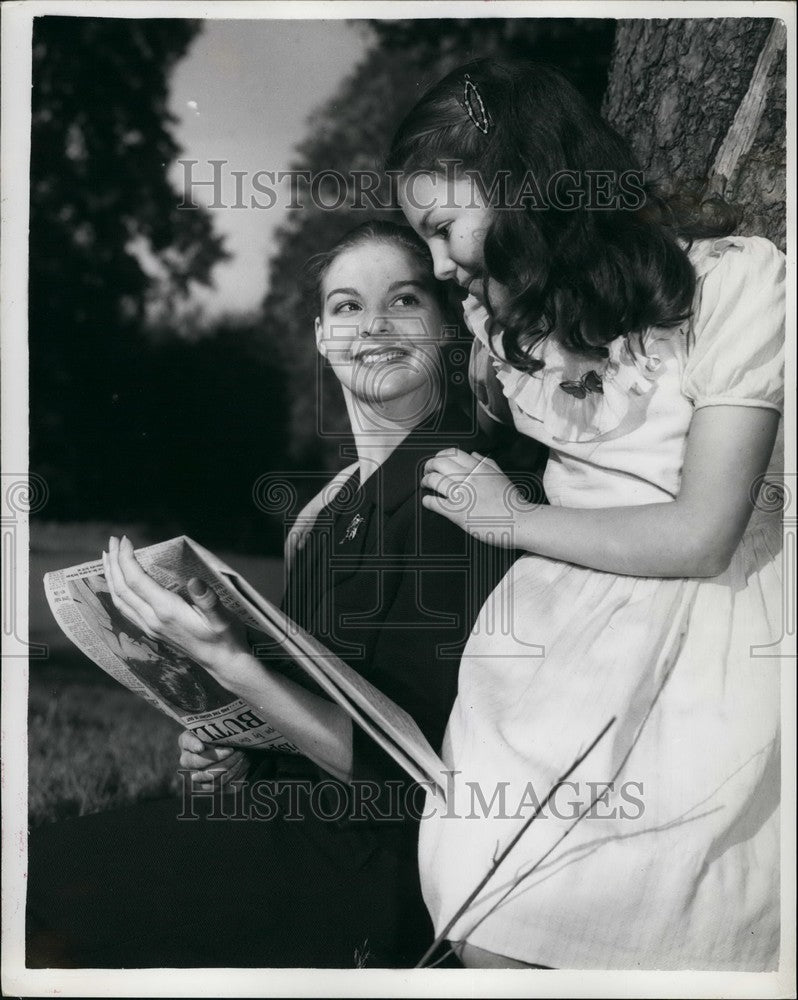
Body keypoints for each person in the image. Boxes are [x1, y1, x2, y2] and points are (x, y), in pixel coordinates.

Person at [27, 221, 529, 968]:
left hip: (377, 873)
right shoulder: (330, 513)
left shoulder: (460, 491)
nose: (376, 327)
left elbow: (409, 786)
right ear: (323, 336)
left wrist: (232, 666)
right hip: (292, 825)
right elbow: (315, 709)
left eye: (404, 300)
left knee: (43, 893)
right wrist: (234, 751)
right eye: (349, 308)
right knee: (39, 872)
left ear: (449, 325)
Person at [385, 59, 785, 971]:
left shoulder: (732, 286)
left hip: (708, 630)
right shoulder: (503, 325)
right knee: (483, 898)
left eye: (445, 229)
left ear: (520, 184)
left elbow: (701, 534)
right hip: (557, 645)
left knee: (645, 913)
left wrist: (510, 519)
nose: (443, 265)